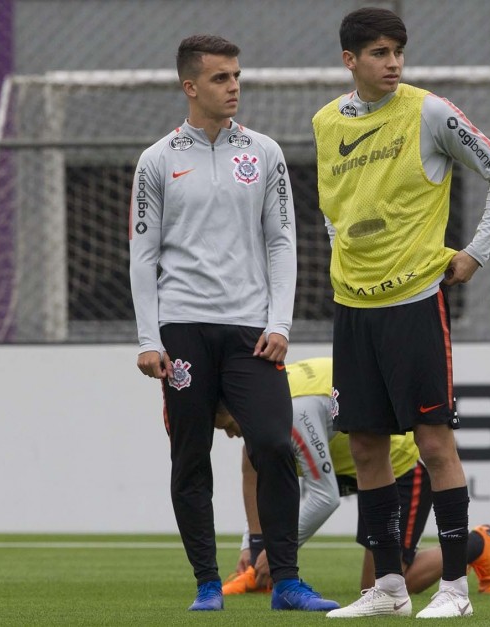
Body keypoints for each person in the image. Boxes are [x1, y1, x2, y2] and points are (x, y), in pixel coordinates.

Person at [311, 8, 490, 619]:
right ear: (350, 60)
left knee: (434, 442)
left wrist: (475, 254)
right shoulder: (326, 121)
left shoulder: (429, 110)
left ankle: (455, 588)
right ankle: (390, 591)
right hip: (353, 306)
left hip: (414, 303)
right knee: (370, 447)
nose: (393, 62)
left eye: (398, 51)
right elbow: (333, 208)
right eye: (379, 52)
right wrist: (342, 255)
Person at [128, 34, 337, 613]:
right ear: (190, 86)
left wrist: (281, 323)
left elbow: (283, 242)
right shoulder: (158, 159)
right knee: (189, 455)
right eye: (221, 79)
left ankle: (287, 581)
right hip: (183, 329)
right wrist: (150, 339)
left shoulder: (264, 153)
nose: (234, 87)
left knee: (273, 444)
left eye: (237, 76)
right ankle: (205, 583)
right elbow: (143, 255)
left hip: (251, 330)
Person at [212, 358, 490, 597]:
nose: (230, 433)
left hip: (401, 463)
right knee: (252, 458)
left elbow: (324, 498)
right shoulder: (263, 398)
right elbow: (256, 474)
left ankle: (478, 543)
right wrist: (254, 545)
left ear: (242, 408)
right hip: (359, 463)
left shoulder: (292, 412)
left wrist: (278, 552)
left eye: (228, 425)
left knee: (381, 585)